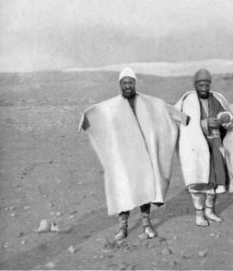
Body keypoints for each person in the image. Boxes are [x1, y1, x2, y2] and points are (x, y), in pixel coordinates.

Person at [79, 67, 189, 240]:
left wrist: (183, 118)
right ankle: (123, 227)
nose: (128, 85)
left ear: (135, 83)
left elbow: (163, 107)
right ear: (120, 84)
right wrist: (87, 119)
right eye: (125, 83)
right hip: (124, 156)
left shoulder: (147, 102)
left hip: (143, 155)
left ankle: (146, 223)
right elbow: (98, 111)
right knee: (124, 190)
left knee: (145, 187)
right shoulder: (113, 105)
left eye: (130, 82)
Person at [175, 68, 233, 226]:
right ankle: (199, 214)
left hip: (215, 144)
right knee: (197, 183)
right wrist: (203, 124)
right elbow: (180, 121)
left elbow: (229, 116)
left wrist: (223, 119)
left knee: (214, 181)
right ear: (195, 85)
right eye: (201, 85)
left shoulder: (216, 98)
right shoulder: (188, 100)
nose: (204, 88)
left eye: (206, 85)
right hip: (195, 147)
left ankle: (209, 210)